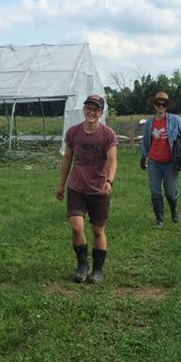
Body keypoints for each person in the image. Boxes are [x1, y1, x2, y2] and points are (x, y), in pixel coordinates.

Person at [56, 94, 118, 284]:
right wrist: (61, 184)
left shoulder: (108, 134)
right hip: (77, 187)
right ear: (84, 110)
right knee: (76, 227)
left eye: (96, 109)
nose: (92, 112)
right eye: (89, 108)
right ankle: (82, 265)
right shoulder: (73, 133)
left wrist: (109, 181)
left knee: (98, 230)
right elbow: (67, 158)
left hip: (98, 189)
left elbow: (112, 161)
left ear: (101, 113)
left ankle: (98, 270)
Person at [139, 90, 181, 227]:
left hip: (170, 162)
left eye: (163, 104)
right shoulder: (149, 122)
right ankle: (159, 219)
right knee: (155, 191)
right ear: (154, 105)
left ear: (166, 106)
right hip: (154, 161)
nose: (160, 107)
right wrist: (143, 158)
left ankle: (173, 209)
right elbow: (146, 142)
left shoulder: (175, 120)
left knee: (171, 192)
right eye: (158, 104)